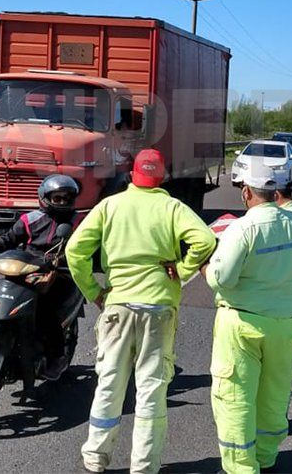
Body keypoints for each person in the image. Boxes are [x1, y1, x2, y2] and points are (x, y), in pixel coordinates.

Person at [66, 149, 218, 474]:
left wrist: (94, 291)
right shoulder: (172, 207)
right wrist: (183, 267)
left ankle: (95, 457)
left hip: (117, 305)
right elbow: (205, 239)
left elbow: (74, 250)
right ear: (161, 178)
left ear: (132, 176)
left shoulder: (110, 206)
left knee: (109, 383)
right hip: (159, 307)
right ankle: (145, 466)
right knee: (151, 388)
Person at [204, 168, 292, 474]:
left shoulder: (242, 228)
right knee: (274, 394)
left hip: (242, 323)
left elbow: (222, 280)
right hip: (284, 324)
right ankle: (266, 457)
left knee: (236, 397)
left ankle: (241, 466)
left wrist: (206, 267)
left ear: (247, 193)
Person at [0, 174, 81, 380]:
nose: (62, 202)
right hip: (24, 268)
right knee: (1, 292)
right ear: (44, 197)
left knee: (45, 310)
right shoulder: (30, 219)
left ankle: (57, 357)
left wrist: (65, 260)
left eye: (66, 198)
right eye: (57, 198)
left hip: (59, 275)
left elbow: (89, 247)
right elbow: (9, 239)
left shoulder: (78, 222)